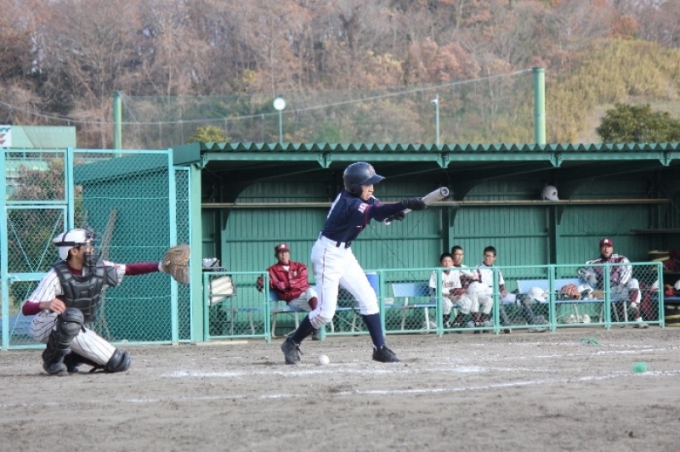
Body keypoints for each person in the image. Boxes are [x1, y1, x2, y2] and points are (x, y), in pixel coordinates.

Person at [280, 162, 427, 364]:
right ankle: (291, 342)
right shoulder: (349, 203)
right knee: (324, 314)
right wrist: (405, 204)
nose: (372, 188)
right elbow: (376, 213)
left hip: (345, 253)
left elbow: (380, 211)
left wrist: (392, 213)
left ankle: (380, 349)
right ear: (356, 187)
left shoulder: (363, 198)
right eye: (368, 185)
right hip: (327, 254)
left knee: (368, 298)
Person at [21, 228, 186, 376]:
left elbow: (129, 269)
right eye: (87, 246)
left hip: (73, 327)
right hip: (45, 325)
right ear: (74, 251)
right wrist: (45, 304)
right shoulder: (55, 275)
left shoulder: (97, 268)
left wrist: (160, 266)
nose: (91, 249)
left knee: (119, 362)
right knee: (71, 317)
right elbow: (26, 308)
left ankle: (70, 359)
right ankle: (52, 361)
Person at [256, 243, 321, 340]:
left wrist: (284, 284)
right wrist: (271, 283)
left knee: (311, 292)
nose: (284, 255)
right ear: (276, 256)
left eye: (286, 252)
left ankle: (315, 327)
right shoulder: (271, 270)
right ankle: (315, 327)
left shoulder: (299, 266)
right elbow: (259, 285)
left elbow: (303, 282)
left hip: (305, 297)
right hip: (292, 300)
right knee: (318, 306)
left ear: (289, 254)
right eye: (281, 253)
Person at [579, 238, 646, 328]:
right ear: (600, 249)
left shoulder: (620, 259)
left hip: (620, 289)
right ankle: (638, 319)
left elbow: (628, 272)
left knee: (634, 282)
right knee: (637, 294)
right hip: (605, 293)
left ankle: (633, 306)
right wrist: (589, 276)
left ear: (612, 248)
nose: (606, 249)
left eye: (608, 247)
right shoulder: (595, 263)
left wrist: (621, 284)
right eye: (603, 247)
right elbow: (582, 272)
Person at [428, 248, 478, 329]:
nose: (447, 263)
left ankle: (456, 323)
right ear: (440, 262)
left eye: (449, 261)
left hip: (452, 295)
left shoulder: (454, 271)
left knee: (467, 302)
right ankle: (445, 323)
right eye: (445, 261)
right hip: (438, 296)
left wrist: (458, 294)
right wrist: (449, 296)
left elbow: (457, 287)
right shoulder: (436, 272)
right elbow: (435, 289)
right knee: (448, 303)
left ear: (452, 263)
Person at [469, 245, 511, 332]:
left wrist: (503, 291)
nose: (487, 258)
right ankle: (483, 323)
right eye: (486, 255)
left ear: (494, 257)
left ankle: (504, 325)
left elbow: (501, 285)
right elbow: (474, 284)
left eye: (489, 256)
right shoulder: (477, 268)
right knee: (495, 302)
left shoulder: (496, 270)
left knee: (501, 301)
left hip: (494, 292)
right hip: (482, 293)